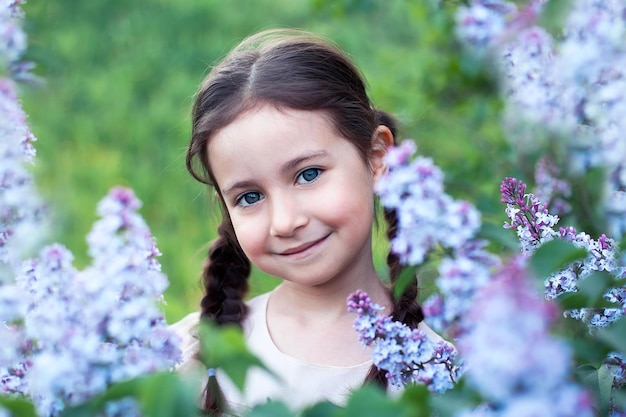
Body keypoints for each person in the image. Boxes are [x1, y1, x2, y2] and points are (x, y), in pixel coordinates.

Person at [171, 28, 441, 416]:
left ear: (378, 157)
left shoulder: (440, 380)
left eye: (309, 174)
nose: (285, 221)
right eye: (249, 197)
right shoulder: (185, 358)